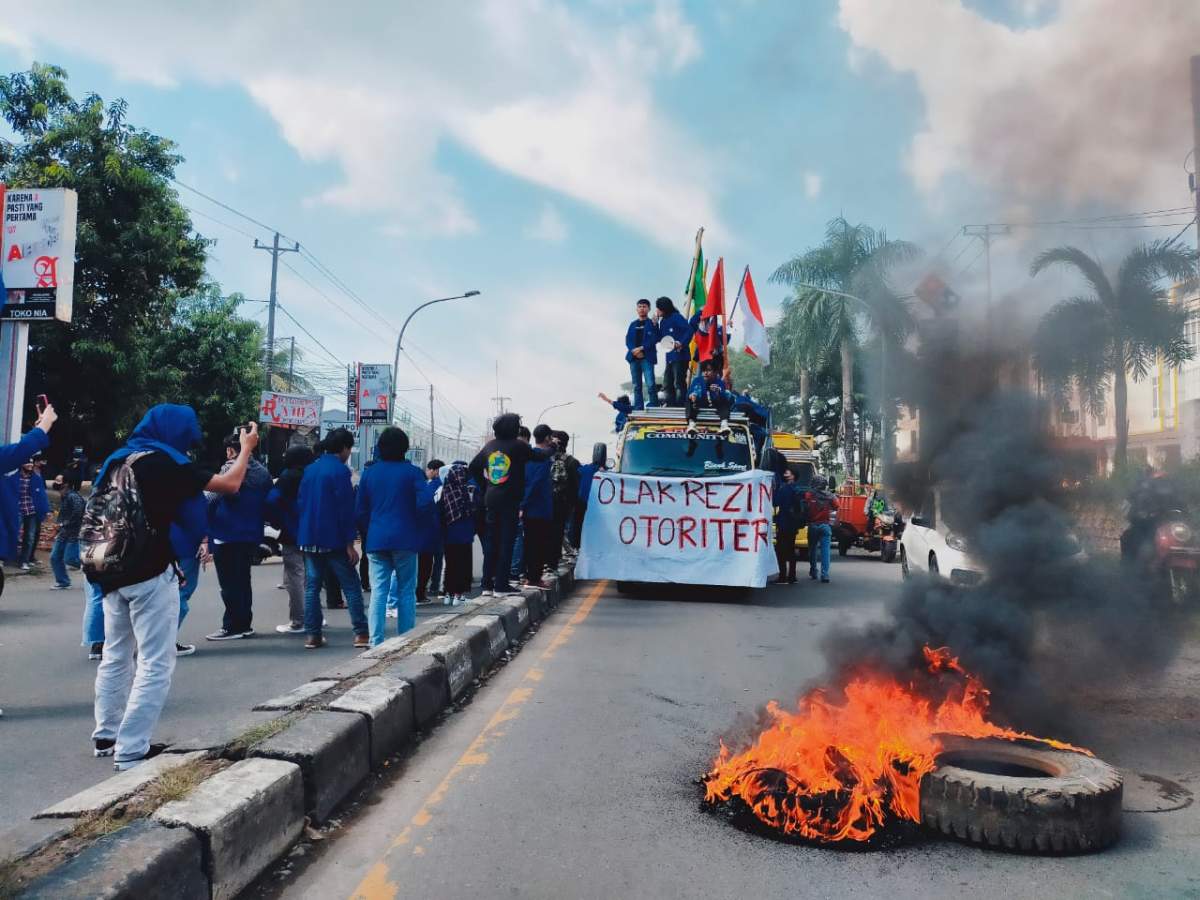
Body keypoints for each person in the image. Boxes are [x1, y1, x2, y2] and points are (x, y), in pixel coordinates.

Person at [87, 406, 256, 769]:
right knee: (155, 661)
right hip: (148, 572)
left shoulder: (119, 459)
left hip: (111, 568)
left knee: (116, 654)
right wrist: (246, 448)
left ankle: (107, 735)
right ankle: (131, 749)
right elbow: (230, 484)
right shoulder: (167, 463)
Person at [297, 428, 370, 650]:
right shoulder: (340, 472)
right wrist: (350, 543)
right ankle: (361, 634)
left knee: (312, 587)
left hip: (309, 536)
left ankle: (313, 635)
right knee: (351, 585)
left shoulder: (309, 470)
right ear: (345, 448)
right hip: (335, 538)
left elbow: (300, 503)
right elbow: (345, 510)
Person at [468, 413, 553, 597]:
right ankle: (501, 585)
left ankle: (486, 585)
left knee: (492, 542)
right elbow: (540, 456)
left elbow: (473, 467)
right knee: (506, 542)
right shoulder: (518, 446)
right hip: (510, 500)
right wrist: (552, 446)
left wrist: (487, 486)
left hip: (491, 499)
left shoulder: (489, 446)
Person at [355, 426, 424, 645]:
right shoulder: (413, 473)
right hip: (406, 539)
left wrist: (371, 528)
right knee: (406, 591)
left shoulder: (369, 473)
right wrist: (416, 526)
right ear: (405, 448)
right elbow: (425, 505)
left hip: (376, 539)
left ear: (380, 448)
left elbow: (360, 511)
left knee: (379, 591)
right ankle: (405, 640)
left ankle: (376, 642)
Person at [205, 432, 272, 641]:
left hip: (227, 533)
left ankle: (232, 626)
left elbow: (211, 498)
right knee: (243, 580)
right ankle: (244, 623)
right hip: (251, 532)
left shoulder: (230, 468)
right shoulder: (263, 472)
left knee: (229, 584)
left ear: (230, 450)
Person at [266, 445, 314, 635]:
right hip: (313, 532)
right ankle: (314, 615)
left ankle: (299, 621)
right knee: (309, 577)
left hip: (292, 532)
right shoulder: (313, 475)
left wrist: (278, 520)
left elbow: (271, 500)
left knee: (294, 576)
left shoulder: (287, 477)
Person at [522, 425, 556, 589]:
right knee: (538, 544)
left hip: (530, 507)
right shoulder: (542, 458)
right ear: (548, 438)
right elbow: (535, 484)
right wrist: (524, 504)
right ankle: (534, 578)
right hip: (539, 508)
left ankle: (532, 577)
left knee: (530, 543)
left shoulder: (528, 456)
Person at [440, 462, 476, 604]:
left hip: (449, 534)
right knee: (462, 564)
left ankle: (448, 594)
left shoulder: (445, 490)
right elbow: (470, 511)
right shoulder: (464, 491)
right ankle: (458, 595)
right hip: (464, 533)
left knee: (450, 564)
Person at [10, 456, 50, 569]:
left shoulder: (36, 479)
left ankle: (24, 561)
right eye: (28, 463)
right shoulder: (14, 478)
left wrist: (46, 510)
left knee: (30, 537)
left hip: (32, 511)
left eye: (31, 464)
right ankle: (7, 558)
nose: (30, 465)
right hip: (17, 511)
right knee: (13, 534)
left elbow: (42, 495)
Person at [50, 468, 86, 589]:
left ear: (66, 483)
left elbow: (78, 514)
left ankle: (95, 569)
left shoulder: (73, 497)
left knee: (70, 559)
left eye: (59, 480)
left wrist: (62, 524)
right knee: (55, 557)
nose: (55, 482)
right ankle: (63, 582)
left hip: (74, 533)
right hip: (64, 532)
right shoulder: (65, 496)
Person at [654, 296, 692, 407]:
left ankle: (681, 406)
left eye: (658, 309)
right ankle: (671, 405)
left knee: (679, 382)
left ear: (664, 309)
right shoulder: (663, 321)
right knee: (667, 383)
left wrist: (681, 342)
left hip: (681, 356)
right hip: (670, 357)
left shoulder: (676, 317)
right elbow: (660, 338)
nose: (657, 311)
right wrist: (655, 325)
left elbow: (689, 330)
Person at [550, 430, 580, 567]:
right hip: (563, 503)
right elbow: (575, 485)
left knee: (554, 532)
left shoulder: (548, 458)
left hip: (554, 503)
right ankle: (556, 558)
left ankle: (554, 558)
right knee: (558, 532)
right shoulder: (572, 461)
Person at [416, 459, 444, 605]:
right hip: (433, 531)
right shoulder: (434, 488)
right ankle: (429, 588)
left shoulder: (429, 487)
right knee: (432, 561)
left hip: (419, 534)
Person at [625, 298, 660, 410]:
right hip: (634, 358)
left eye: (644, 307)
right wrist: (634, 350)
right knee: (636, 385)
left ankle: (654, 404)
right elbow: (628, 339)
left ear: (649, 309)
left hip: (647, 358)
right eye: (640, 306)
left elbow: (656, 338)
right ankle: (638, 406)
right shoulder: (632, 324)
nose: (642, 309)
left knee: (650, 383)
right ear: (636, 309)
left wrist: (642, 348)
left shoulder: (652, 323)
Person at [804, 474, 839, 583]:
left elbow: (805, 505)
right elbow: (837, 506)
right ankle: (825, 575)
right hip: (825, 526)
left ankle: (813, 571)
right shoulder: (830, 496)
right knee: (825, 551)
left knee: (813, 549)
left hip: (813, 525)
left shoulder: (809, 495)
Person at [685, 359, 734, 437]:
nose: (705, 373)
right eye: (703, 370)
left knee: (723, 399)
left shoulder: (719, 382)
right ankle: (691, 424)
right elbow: (689, 394)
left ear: (715, 372)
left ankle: (724, 424)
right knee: (688, 400)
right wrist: (692, 396)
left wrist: (718, 393)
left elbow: (727, 397)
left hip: (715, 405)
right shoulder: (697, 380)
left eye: (708, 370)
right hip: (699, 404)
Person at [773, 469, 802, 584]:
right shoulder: (798, 489)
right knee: (791, 550)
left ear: (792, 476)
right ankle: (792, 576)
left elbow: (775, 502)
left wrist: (775, 490)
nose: (784, 474)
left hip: (784, 522)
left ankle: (782, 576)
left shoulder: (784, 488)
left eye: (787, 473)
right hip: (793, 524)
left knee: (780, 551)